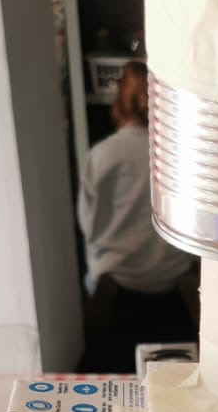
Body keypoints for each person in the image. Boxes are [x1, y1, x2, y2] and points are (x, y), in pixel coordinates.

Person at [77, 61, 199, 371]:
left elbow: (89, 224)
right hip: (172, 284)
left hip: (114, 285)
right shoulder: (176, 152)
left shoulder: (103, 154)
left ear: (119, 102)